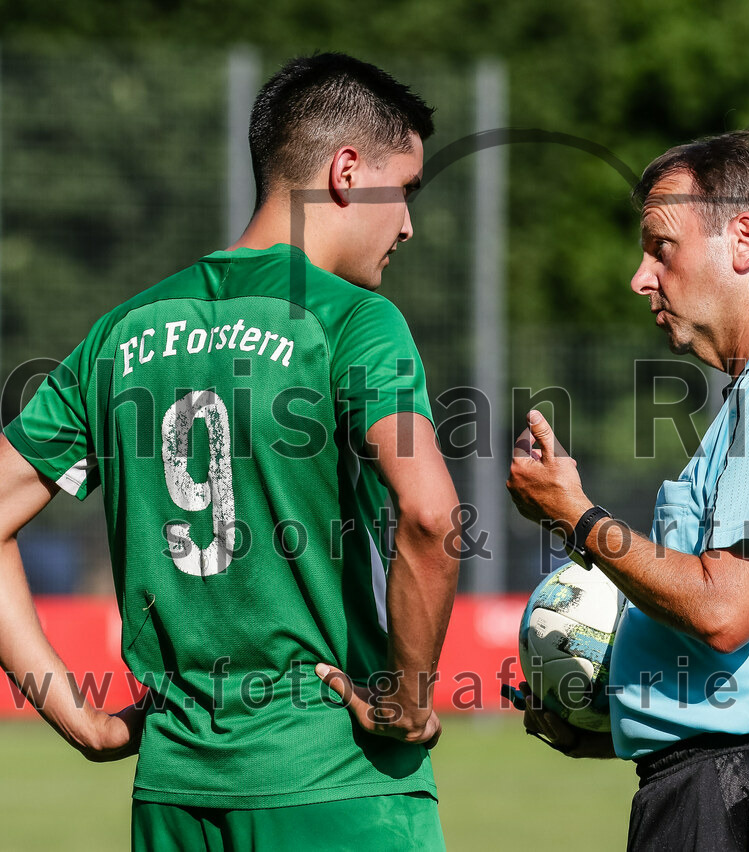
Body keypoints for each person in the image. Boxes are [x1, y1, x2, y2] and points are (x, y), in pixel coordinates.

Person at [0, 53, 460, 850]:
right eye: (406, 192)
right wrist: (409, 701)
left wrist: (74, 713)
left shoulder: (122, 331)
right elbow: (429, 516)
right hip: (335, 780)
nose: (408, 225)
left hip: (174, 789)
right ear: (346, 172)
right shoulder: (350, 319)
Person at [507, 130, 749, 850]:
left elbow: (723, 609)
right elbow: (748, 661)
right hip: (742, 786)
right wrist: (609, 719)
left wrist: (576, 516)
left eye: (661, 248)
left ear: (742, 240)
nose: (640, 277)